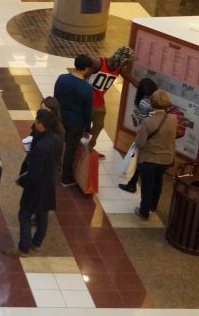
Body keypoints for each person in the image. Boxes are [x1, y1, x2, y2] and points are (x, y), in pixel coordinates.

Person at [124, 90, 177, 220]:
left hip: (149, 159)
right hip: (166, 159)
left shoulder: (147, 122)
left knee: (147, 185)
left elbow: (140, 143)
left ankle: (143, 212)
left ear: (152, 104)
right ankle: (153, 206)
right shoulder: (173, 119)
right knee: (158, 183)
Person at [15, 109, 62, 253]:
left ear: (41, 124)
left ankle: (24, 247)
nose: (35, 123)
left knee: (24, 214)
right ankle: (37, 242)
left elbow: (34, 174)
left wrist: (21, 181)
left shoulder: (40, 148)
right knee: (42, 213)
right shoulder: (56, 139)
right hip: (49, 183)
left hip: (37, 188)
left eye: (37, 120)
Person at [53, 54, 94, 188]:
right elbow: (88, 111)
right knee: (70, 149)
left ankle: (55, 167)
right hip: (76, 122)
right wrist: (88, 128)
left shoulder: (62, 79)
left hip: (60, 117)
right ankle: (66, 178)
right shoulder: (87, 88)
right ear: (86, 68)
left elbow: (55, 98)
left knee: (58, 143)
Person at [88, 46, 132, 152]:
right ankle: (78, 143)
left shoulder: (118, 69)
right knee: (82, 123)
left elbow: (131, 79)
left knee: (99, 124)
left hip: (99, 101)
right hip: (87, 99)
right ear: (121, 59)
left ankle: (90, 145)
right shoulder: (99, 62)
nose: (126, 66)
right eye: (126, 63)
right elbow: (84, 77)